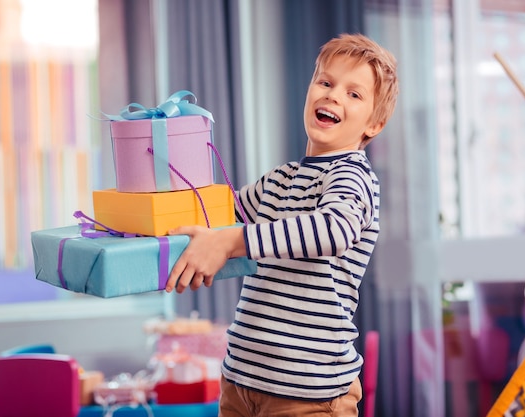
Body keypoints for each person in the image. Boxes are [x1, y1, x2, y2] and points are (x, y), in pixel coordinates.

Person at [166, 33, 399, 416]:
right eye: (325, 82)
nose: (333, 95)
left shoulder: (352, 177)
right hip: (241, 381)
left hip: (307, 395)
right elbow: (216, 219)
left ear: (374, 124)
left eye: (354, 94)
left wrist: (230, 241)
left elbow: (332, 230)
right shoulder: (279, 179)